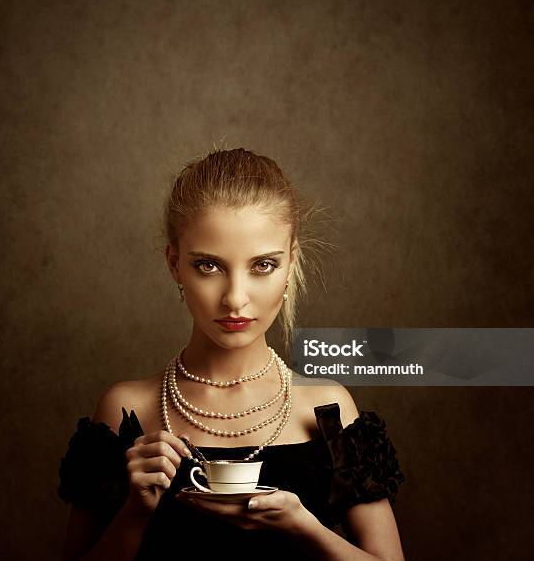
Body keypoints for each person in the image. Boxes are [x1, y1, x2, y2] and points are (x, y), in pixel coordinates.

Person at [57, 148, 406, 560]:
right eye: (209, 265)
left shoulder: (327, 409)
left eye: (263, 266)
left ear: (291, 262)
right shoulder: (127, 411)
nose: (235, 299)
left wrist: (305, 527)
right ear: (174, 264)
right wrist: (134, 512)